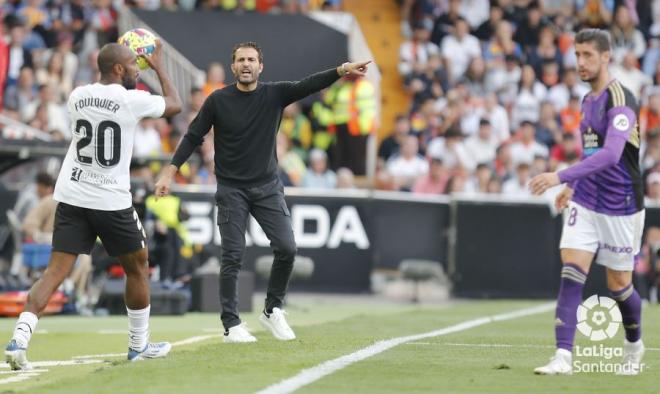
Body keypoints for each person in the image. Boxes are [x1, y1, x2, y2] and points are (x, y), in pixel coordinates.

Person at [154, 41, 370, 343]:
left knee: (287, 248)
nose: (246, 64)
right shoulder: (217, 100)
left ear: (260, 66)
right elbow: (193, 136)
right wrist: (170, 170)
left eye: (251, 59)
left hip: (268, 188)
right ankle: (231, 324)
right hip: (231, 189)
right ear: (233, 67)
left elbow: (308, 84)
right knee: (232, 255)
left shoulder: (275, 94)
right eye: (240, 60)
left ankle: (272, 310)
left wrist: (342, 70)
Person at [5, 41, 182, 370]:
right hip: (110, 197)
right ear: (118, 69)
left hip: (72, 194)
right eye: (132, 64)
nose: (136, 69)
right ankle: (138, 344)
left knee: (54, 273)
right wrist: (157, 66)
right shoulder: (131, 100)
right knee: (138, 266)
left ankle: (19, 341)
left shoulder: (77, 95)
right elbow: (175, 104)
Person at [530, 29, 645, 376]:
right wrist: (575, 186)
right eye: (577, 55)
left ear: (606, 56)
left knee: (619, 287)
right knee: (571, 271)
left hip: (622, 204)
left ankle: (634, 344)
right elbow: (591, 152)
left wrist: (561, 176)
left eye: (588, 55)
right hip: (588, 200)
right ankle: (563, 357)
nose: (580, 62)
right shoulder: (586, 101)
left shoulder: (620, 98)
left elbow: (611, 156)